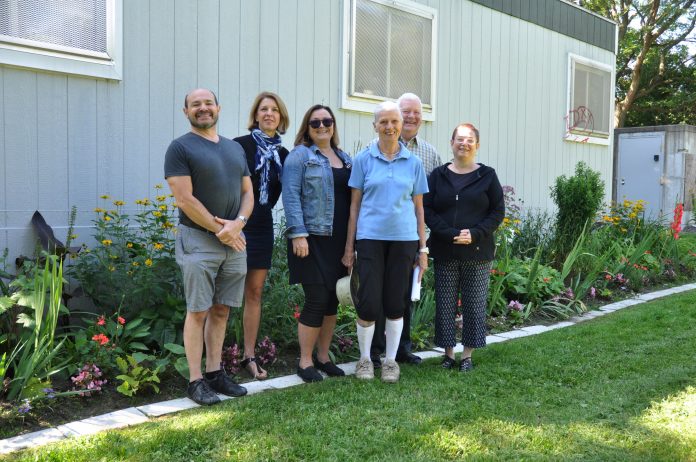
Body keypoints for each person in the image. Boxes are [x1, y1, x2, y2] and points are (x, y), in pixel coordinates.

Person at [164, 88, 252, 405]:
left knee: (222, 309)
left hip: (234, 239)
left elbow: (248, 193)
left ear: (218, 107)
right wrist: (220, 229)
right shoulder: (179, 148)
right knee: (198, 310)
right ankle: (195, 380)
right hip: (199, 240)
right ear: (185, 111)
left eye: (208, 103)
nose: (203, 108)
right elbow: (184, 198)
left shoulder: (233, 149)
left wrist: (238, 223)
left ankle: (215, 373)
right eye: (195, 104)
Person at [342, 101, 429, 383]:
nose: (389, 127)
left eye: (394, 121)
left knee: (395, 302)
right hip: (369, 240)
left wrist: (423, 249)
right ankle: (366, 359)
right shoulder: (363, 160)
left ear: (401, 125)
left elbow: (419, 209)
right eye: (384, 122)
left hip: (403, 241)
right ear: (375, 126)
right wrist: (348, 248)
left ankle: (390, 361)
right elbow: (354, 207)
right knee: (367, 303)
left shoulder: (414, 163)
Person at [423, 123, 504, 372]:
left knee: (474, 303)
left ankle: (467, 355)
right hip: (445, 249)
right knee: (445, 303)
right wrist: (450, 234)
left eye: (470, 140)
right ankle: (448, 354)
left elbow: (497, 212)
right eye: (459, 139)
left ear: (476, 145)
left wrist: (476, 234)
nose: (464, 144)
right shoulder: (438, 175)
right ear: (452, 143)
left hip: (478, 252)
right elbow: (427, 210)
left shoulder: (487, 175)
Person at [282, 105, 352, 382]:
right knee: (316, 299)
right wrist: (298, 233)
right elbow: (290, 195)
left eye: (327, 121)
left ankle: (323, 358)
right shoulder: (300, 156)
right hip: (311, 238)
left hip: (339, 241)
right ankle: (305, 361)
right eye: (315, 122)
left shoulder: (345, 158)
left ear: (333, 125)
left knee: (333, 300)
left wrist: (352, 243)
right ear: (307, 127)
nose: (322, 126)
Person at [370, 92, 441, 367]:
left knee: (406, 292)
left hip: (413, 235)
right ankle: (375, 350)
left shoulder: (430, 154)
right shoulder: (374, 147)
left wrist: (426, 239)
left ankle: (402, 348)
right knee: (377, 292)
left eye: (416, 113)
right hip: (379, 234)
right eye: (406, 112)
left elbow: (431, 199)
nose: (411, 117)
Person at [233, 92, 290, 380]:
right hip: (235, 225)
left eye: (274, 110)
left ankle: (249, 356)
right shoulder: (238, 146)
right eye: (264, 109)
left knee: (254, 292)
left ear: (281, 118)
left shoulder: (283, 155)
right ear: (255, 115)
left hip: (262, 226)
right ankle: (214, 361)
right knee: (224, 295)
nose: (269, 114)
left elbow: (281, 193)